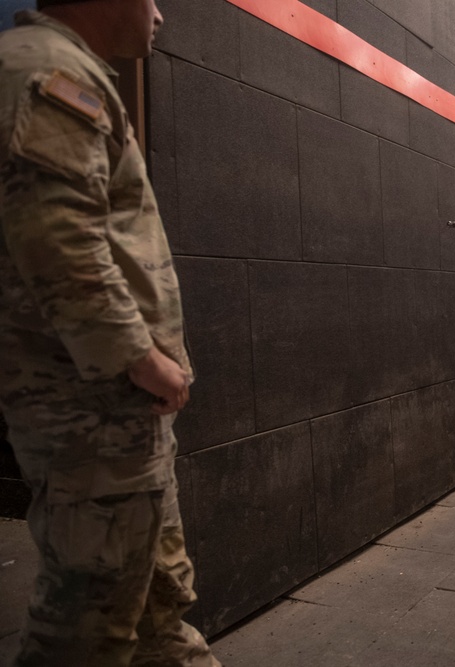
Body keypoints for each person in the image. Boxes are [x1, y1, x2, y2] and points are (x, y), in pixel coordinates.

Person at [0, 1, 219, 665]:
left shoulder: (67, 69)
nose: (159, 16)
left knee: (157, 610)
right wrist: (137, 355)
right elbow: (57, 234)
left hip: (116, 412)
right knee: (84, 631)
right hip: (91, 409)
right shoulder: (49, 73)